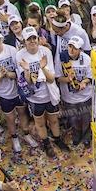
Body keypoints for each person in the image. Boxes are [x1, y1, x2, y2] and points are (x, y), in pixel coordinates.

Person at [15, 27, 68, 157]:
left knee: (54, 120)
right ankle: (46, 143)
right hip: (35, 98)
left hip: (49, 95)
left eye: (34, 38)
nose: (32, 41)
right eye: (29, 39)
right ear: (24, 41)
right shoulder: (20, 55)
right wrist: (27, 70)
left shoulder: (45, 52)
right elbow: (26, 83)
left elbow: (50, 79)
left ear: (38, 39)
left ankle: (57, 138)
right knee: (39, 122)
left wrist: (43, 67)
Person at [0, 26, 35, 153]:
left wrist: (9, 74)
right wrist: (1, 75)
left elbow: (19, 72)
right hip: (3, 94)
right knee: (10, 118)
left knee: (22, 113)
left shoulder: (11, 50)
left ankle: (26, 134)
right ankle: (15, 137)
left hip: (17, 90)